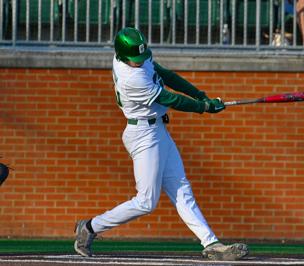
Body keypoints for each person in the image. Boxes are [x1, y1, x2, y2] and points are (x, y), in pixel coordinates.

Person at [73, 27, 249, 261]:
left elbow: (166, 75)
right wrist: (204, 108)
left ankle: (211, 243)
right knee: (146, 202)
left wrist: (200, 95)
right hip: (143, 135)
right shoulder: (130, 78)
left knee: (181, 187)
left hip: (158, 130)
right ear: (123, 56)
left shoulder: (135, 59)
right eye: (135, 59)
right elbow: (169, 98)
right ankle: (90, 227)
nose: (140, 62)